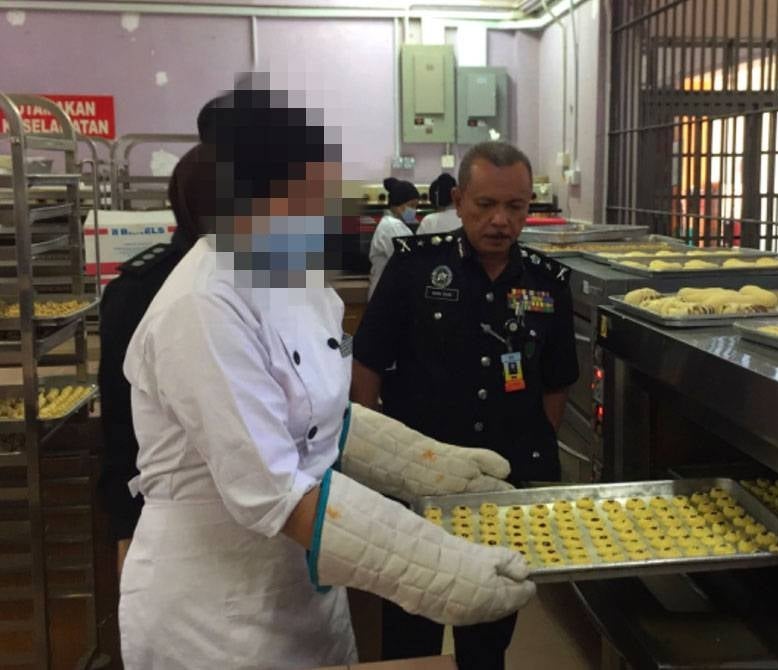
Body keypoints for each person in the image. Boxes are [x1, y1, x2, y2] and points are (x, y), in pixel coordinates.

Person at [118, 83, 535, 669]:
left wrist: (432, 467)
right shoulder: (204, 303)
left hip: (304, 590)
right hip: (217, 613)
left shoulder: (297, 279)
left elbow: (325, 419)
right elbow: (274, 492)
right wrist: (441, 569)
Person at [351, 141, 580, 670]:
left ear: (529, 206)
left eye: (516, 207)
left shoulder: (549, 285)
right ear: (459, 200)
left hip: (505, 487)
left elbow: (556, 383)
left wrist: (525, 448)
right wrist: (372, 453)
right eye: (485, 205)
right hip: (419, 483)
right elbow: (367, 363)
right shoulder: (413, 272)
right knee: (411, 626)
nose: (500, 220)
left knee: (489, 629)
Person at [96, 143, 213, 576]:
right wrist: (126, 521)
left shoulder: (277, 284)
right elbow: (122, 417)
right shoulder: (146, 289)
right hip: (172, 512)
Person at [368, 176, 418, 298]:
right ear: (396, 205)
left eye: (415, 206)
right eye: (411, 205)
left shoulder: (394, 225)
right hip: (385, 295)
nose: (414, 210)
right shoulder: (392, 227)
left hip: (388, 293)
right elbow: (408, 261)